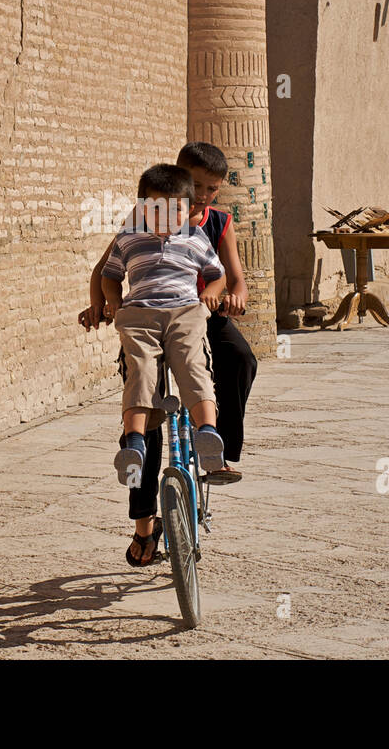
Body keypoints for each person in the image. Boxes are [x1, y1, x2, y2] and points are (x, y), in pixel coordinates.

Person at [79, 142, 257, 566]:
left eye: (212, 189)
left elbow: (235, 280)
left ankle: (217, 448)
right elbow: (106, 271)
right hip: (146, 318)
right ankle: (145, 523)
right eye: (195, 185)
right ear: (177, 177)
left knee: (240, 360)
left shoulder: (216, 223)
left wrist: (233, 298)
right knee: (149, 407)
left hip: (199, 315)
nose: (203, 196)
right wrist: (102, 305)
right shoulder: (144, 220)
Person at [100, 164, 228, 567]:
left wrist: (212, 296)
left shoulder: (196, 237)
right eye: (154, 209)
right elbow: (108, 275)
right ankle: (134, 446)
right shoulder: (129, 236)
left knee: (194, 367)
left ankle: (208, 435)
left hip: (185, 313)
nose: (163, 218)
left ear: (186, 210)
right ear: (141, 207)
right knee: (139, 373)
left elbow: (217, 275)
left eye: (173, 210)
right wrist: (111, 302)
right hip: (139, 316)